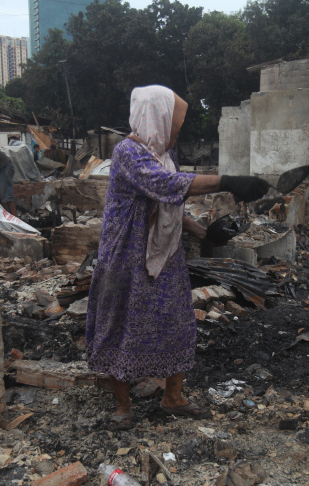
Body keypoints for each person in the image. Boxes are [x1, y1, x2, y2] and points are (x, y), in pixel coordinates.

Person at [85, 85, 270, 431]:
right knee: (122, 326)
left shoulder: (164, 155)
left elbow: (170, 200)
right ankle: (123, 408)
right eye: (174, 124)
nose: (177, 132)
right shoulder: (127, 152)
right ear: (155, 118)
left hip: (164, 255)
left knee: (177, 323)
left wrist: (201, 232)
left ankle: (173, 397)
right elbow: (166, 184)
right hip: (127, 258)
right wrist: (228, 181)